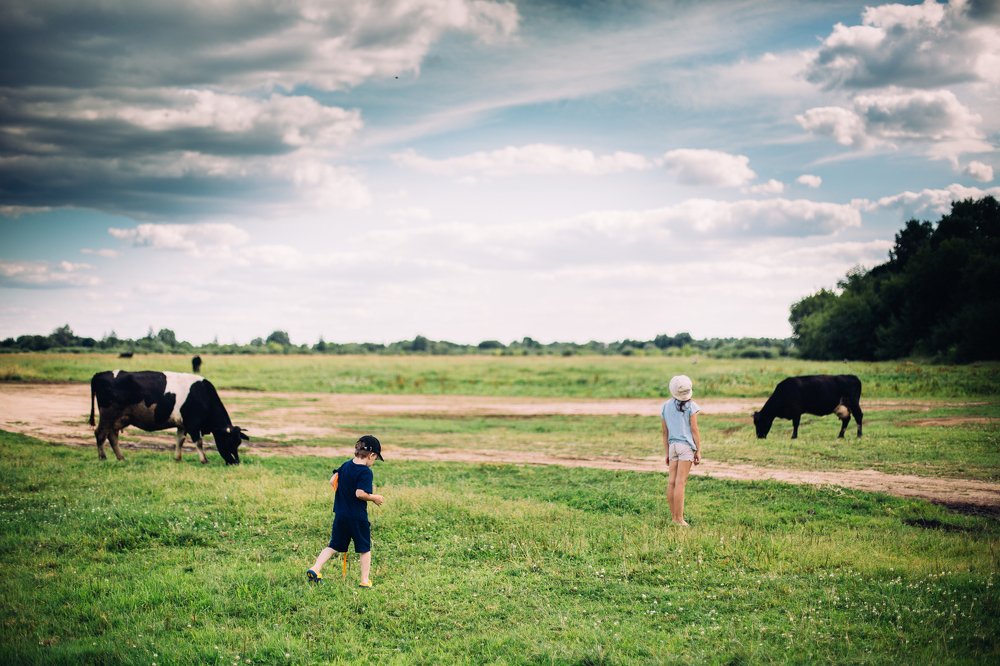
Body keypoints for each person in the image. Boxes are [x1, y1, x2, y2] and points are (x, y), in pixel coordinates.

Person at [307, 435, 385, 587]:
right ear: (372, 455)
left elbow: (332, 480)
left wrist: (343, 494)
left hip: (341, 514)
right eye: (375, 459)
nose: (373, 462)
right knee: (364, 548)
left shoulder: (345, 465)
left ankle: (315, 568)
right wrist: (375, 497)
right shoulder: (365, 472)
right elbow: (360, 493)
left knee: (333, 545)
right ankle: (364, 580)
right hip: (357, 517)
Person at [661, 375, 701, 526]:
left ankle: (674, 517)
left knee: (671, 482)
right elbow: (694, 430)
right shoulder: (691, 406)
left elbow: (665, 432)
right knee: (680, 483)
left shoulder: (665, 406)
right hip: (685, 447)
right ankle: (679, 519)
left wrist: (667, 452)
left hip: (672, 447)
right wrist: (698, 450)